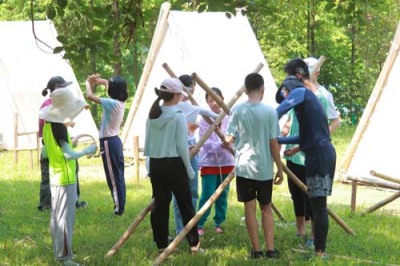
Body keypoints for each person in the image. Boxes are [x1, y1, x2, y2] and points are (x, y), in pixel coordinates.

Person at [275, 58, 337, 259]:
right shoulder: (308, 101)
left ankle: (320, 252)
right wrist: (280, 139)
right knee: (316, 202)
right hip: (319, 154)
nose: (285, 97)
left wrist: (259, 117)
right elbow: (306, 136)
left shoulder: (300, 92)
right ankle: (319, 249)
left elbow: (277, 112)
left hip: (319, 156)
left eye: (285, 93)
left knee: (318, 205)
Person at [225, 73, 284, 259]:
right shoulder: (270, 112)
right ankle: (271, 250)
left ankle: (256, 250)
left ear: (245, 90)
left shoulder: (237, 110)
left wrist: (229, 142)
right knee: (266, 208)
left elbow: (229, 139)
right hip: (264, 168)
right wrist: (280, 169)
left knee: (249, 208)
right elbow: (274, 143)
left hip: (244, 167)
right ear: (263, 89)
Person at [39, 86, 97, 266]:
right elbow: (67, 155)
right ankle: (65, 258)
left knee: (57, 219)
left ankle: (60, 253)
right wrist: (87, 150)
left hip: (56, 178)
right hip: (65, 179)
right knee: (65, 221)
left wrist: (70, 143)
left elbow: (54, 151)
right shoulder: (58, 129)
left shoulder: (49, 127)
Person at [144, 77, 203, 254]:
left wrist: (149, 168)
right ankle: (194, 245)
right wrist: (190, 169)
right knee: (186, 205)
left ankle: (161, 244)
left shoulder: (153, 114)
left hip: (156, 164)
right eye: (180, 95)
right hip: (174, 164)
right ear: (176, 95)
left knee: (160, 205)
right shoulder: (178, 116)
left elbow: (150, 144)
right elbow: (180, 147)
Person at [172, 74, 218, 235]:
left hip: (191, 149)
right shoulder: (175, 107)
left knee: (191, 192)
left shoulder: (186, 107)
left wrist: (219, 115)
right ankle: (181, 229)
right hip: (180, 152)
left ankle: (188, 229)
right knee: (180, 193)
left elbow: (202, 110)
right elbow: (201, 110)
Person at [38, 76, 87, 212]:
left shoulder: (57, 104)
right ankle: (47, 203)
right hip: (53, 146)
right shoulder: (50, 105)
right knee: (50, 175)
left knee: (71, 172)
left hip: (55, 143)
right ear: (57, 89)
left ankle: (73, 201)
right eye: (63, 87)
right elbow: (51, 123)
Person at [86, 74, 128, 216]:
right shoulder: (119, 103)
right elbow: (108, 86)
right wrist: (100, 81)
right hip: (114, 141)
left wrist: (88, 83)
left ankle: (118, 209)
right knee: (118, 175)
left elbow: (90, 96)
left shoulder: (111, 103)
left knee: (113, 178)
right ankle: (121, 204)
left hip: (108, 143)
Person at [197, 87, 234, 236]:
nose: (214, 103)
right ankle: (199, 223)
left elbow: (233, 136)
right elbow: (204, 143)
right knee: (208, 193)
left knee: (223, 193)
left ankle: (219, 222)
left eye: (216, 100)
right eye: (210, 100)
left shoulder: (229, 117)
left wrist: (228, 142)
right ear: (207, 102)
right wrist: (221, 144)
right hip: (209, 162)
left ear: (222, 99)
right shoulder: (204, 119)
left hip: (227, 160)